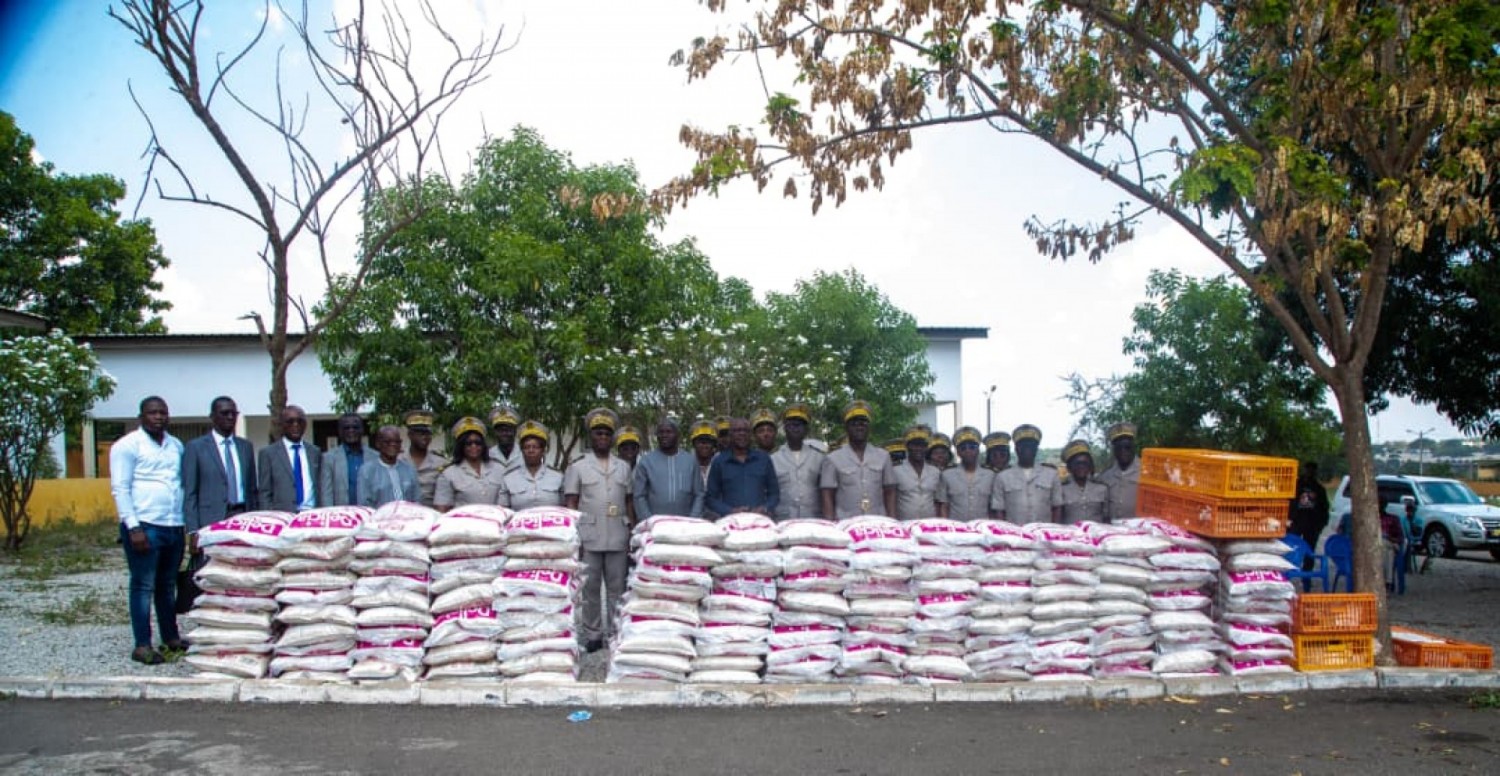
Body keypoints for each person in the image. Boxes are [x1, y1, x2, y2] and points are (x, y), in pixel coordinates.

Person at [110, 396, 187, 665]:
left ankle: (171, 637)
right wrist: (132, 526)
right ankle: (142, 644)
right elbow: (120, 488)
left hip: (173, 524)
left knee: (167, 585)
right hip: (144, 525)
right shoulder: (128, 446)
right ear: (141, 416)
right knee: (143, 585)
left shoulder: (175, 446)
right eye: (152, 413)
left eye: (163, 412)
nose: (158, 417)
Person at [564, 408, 634, 653]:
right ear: (591, 437)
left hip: (617, 533)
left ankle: (616, 631)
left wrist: (632, 534)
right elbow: (571, 501)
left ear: (612, 437)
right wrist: (574, 535)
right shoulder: (579, 467)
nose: (602, 437)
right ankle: (593, 634)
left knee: (617, 588)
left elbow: (628, 501)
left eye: (606, 433)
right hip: (589, 534)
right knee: (591, 588)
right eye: (598, 433)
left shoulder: (623, 467)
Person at [181, 396, 257, 547]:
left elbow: (252, 489)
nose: (230, 417)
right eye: (225, 413)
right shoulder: (196, 447)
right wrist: (193, 530)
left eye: (234, 413)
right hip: (211, 519)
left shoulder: (245, 447)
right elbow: (190, 492)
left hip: (243, 517)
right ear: (212, 417)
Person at [820, 400, 896, 518]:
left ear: (869, 427)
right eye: (854, 424)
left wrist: (892, 522)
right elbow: (827, 495)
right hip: (846, 523)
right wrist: (831, 525)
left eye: (863, 423)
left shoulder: (883, 456)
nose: (859, 427)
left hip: (877, 521)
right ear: (846, 427)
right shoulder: (833, 459)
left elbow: (890, 492)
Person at [632, 416, 704, 520]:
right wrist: (649, 521)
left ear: (677, 435)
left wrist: (693, 520)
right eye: (661, 432)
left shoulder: (690, 461)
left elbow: (699, 494)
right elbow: (639, 496)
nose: (664, 435)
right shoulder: (646, 461)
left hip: (685, 524)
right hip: (656, 526)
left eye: (669, 432)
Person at [706, 417, 780, 517]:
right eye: (737, 430)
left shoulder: (763, 459)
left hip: (760, 521)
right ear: (730, 435)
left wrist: (765, 508)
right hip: (730, 521)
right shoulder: (719, 461)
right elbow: (711, 498)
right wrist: (730, 511)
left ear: (751, 435)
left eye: (746, 430)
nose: (742, 433)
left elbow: (774, 494)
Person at [257, 404, 322, 512]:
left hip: (311, 514)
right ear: (282, 425)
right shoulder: (268, 454)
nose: (295, 425)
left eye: (299, 421)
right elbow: (264, 492)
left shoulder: (315, 452)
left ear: (305, 425)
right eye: (290, 421)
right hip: (282, 515)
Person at [992, 424, 1061, 523]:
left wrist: (1053, 532)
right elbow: (999, 511)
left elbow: (1057, 507)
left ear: (1036, 448)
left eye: (1031, 445)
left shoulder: (1051, 475)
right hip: (1014, 535)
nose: (1027, 449)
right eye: (1023, 446)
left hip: (1043, 535)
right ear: (1016, 449)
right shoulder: (1003, 477)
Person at [434, 416, 506, 511]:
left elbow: (506, 505)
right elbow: (442, 509)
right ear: (461, 446)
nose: (474, 446)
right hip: (463, 524)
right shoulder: (448, 474)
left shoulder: (498, 469)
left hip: (495, 522)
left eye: (478, 442)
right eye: (468, 443)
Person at [771, 403, 826, 520]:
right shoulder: (773, 459)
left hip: (813, 522)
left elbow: (826, 492)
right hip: (783, 522)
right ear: (785, 428)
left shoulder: (819, 458)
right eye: (791, 424)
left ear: (806, 429)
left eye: (800, 424)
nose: (795, 427)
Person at [500, 420, 565, 510]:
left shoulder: (557, 477)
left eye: (535, 447)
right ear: (522, 450)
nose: (531, 451)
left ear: (543, 450)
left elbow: (565, 509)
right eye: (527, 447)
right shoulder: (509, 478)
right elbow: (503, 511)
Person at [937, 426, 996, 520]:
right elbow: (944, 506)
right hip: (956, 529)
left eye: (972, 447)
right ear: (958, 452)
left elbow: (992, 508)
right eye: (963, 448)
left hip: (982, 529)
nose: (968, 451)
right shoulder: (947, 475)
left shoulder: (990, 475)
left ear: (978, 450)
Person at [357, 425, 420, 507]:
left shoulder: (409, 469)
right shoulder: (367, 471)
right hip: (379, 518)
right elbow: (364, 505)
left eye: (397, 442)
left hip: (407, 517)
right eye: (388, 442)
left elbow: (417, 501)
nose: (393, 445)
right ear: (378, 444)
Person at [400, 409, 447, 508]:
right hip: (403, 514)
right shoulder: (398, 460)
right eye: (420, 433)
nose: (425, 437)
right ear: (410, 435)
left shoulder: (441, 463)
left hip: (431, 514)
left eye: (427, 433)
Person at [891, 425, 940, 520]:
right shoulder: (896, 470)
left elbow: (938, 501)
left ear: (927, 448)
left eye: (922, 445)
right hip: (904, 524)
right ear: (907, 446)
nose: (919, 449)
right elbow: (891, 500)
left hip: (929, 525)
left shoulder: (935, 472)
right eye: (915, 445)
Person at [1095, 422, 1140, 521]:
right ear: (1114, 450)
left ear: (1133, 447)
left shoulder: (1147, 474)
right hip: (1113, 531)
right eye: (1119, 448)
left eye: (1127, 447)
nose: (1123, 451)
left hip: (1140, 531)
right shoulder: (1104, 477)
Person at [320, 412, 367, 507]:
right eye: (346, 428)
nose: (351, 431)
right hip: (341, 516)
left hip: (370, 516)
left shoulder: (374, 456)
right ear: (340, 431)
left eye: (355, 427)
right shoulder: (329, 458)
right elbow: (326, 494)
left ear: (362, 430)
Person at [1060, 439, 1110, 524]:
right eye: (1077, 463)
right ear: (1069, 467)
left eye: (1085, 463)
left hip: (1096, 535)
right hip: (1071, 535)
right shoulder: (1062, 489)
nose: (1081, 467)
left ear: (1090, 465)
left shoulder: (1102, 488)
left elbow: (1106, 517)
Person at [1287, 460, 1331, 552]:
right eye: (1308, 470)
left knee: (1310, 547)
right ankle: (1292, 564)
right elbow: (1288, 501)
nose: (1309, 473)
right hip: (1296, 520)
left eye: (1312, 471)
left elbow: (1324, 506)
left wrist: (1322, 523)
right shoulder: (1295, 485)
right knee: (1291, 545)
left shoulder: (1319, 488)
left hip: (1312, 522)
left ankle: (1308, 565)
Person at [689, 419, 721, 519]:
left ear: (714, 445)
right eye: (701, 442)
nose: (704, 446)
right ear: (694, 444)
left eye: (708, 442)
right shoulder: (685, 465)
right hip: (691, 517)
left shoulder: (721, 465)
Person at [487, 405, 523, 474]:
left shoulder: (524, 454)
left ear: (515, 432)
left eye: (508, 430)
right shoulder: (488, 456)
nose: (504, 434)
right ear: (495, 432)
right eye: (500, 430)